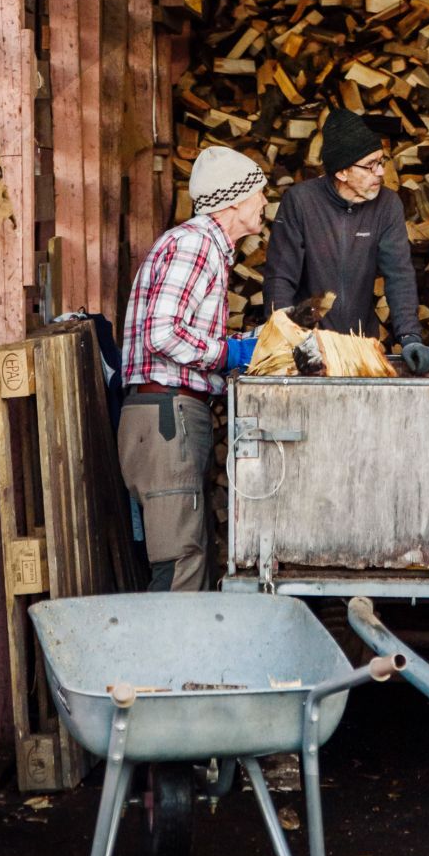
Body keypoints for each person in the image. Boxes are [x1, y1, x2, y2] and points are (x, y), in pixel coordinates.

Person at [118, 144, 267, 591]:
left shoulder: (206, 248)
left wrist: (250, 345)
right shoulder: (195, 245)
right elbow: (162, 333)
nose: (265, 201)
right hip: (167, 416)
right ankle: (165, 641)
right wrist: (228, 355)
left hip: (171, 414)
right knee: (179, 561)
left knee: (188, 556)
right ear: (234, 200)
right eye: (259, 192)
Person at [263, 106, 429, 374]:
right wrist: (293, 341)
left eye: (381, 161)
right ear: (342, 172)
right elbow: (280, 277)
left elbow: (399, 273)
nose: (380, 172)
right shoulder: (301, 202)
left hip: (361, 345)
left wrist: (410, 337)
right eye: (370, 165)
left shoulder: (388, 204)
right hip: (310, 345)